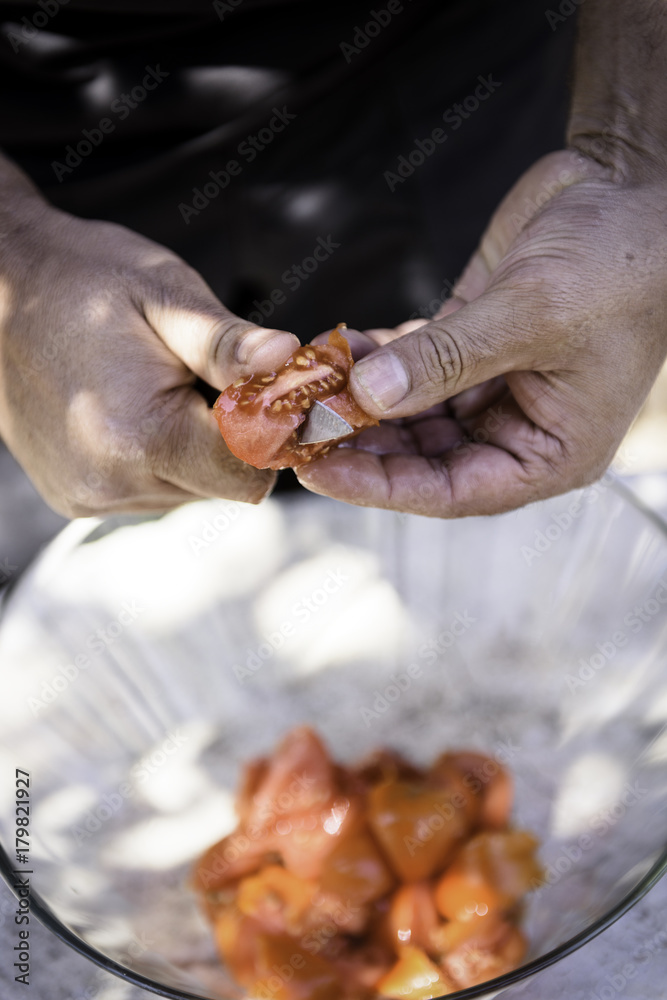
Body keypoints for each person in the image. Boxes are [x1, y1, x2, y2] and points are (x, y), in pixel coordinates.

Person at [0, 0, 664, 519]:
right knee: (115, 440)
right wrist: (14, 251)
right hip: (58, 132)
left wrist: (633, 158)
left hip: (440, 67)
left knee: (466, 405)